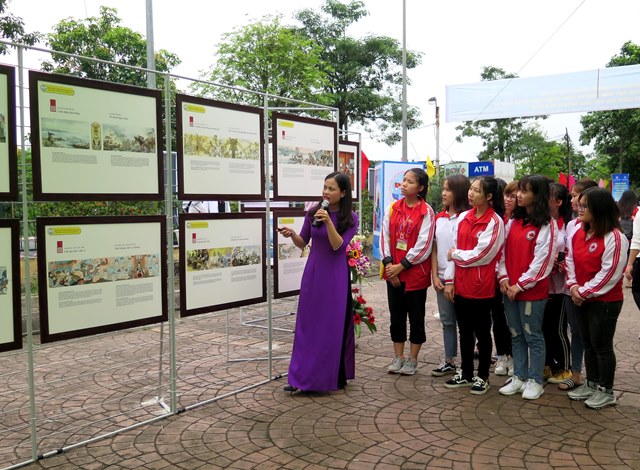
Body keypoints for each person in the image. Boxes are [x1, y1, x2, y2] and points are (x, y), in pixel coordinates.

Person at [279, 172, 358, 392]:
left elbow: (338, 246)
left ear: (343, 193)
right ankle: (299, 377)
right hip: (313, 274)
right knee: (307, 326)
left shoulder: (350, 218)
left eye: (331, 189)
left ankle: (323, 379)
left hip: (335, 277)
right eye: (325, 187)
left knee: (328, 328)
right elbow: (302, 242)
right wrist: (292, 234)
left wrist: (329, 223)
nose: (326, 192)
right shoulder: (313, 212)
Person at [565, 188, 628, 409]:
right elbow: (570, 262)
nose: (579, 209)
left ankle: (606, 390)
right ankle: (591, 384)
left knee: (602, 346)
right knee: (588, 344)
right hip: (581, 298)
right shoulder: (579, 233)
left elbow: (609, 273)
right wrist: (573, 286)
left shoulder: (615, 237)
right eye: (579, 204)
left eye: (585, 206)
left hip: (605, 302)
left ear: (599, 209)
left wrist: (582, 292)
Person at [443, 176, 505, 395]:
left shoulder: (495, 222)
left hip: (482, 287)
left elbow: (483, 255)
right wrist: (449, 281)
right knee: (465, 332)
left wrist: (456, 255)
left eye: (476, 190)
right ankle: (466, 372)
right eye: (470, 189)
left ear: (488, 196)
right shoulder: (462, 218)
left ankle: (483, 376)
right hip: (461, 285)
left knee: (482, 332)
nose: (470, 193)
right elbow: (453, 251)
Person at [497, 175, 556, 400]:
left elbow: (543, 262)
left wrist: (520, 286)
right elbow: (501, 254)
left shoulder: (546, 225)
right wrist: (503, 278)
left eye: (525, 191)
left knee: (533, 336)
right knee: (515, 334)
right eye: (518, 191)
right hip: (509, 289)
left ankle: (535, 380)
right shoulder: (512, 222)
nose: (518, 195)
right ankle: (519, 377)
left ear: (538, 195)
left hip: (530, 292)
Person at [381, 168, 435, 376]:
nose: (404, 184)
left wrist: (401, 266)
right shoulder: (393, 208)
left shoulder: (426, 211)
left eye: (409, 182)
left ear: (420, 188)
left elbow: (424, 245)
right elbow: (384, 237)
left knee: (416, 317)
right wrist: (389, 266)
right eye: (403, 180)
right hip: (393, 272)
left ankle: (413, 359)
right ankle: (398, 357)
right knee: (396, 317)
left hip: (414, 275)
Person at [558, 178, 598, 391]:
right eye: (572, 196)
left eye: (575, 196)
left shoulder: (605, 231)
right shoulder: (571, 224)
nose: (572, 200)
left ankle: (597, 380)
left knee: (592, 336)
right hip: (570, 288)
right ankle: (576, 373)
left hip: (592, 291)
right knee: (576, 330)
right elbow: (571, 256)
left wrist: (583, 288)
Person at [431, 174, 470, 377]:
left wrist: (451, 279)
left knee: (465, 323)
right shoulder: (439, 218)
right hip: (441, 278)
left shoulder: (467, 218)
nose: (444, 193)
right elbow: (435, 248)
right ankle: (449, 360)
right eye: (444, 188)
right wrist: (435, 276)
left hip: (462, 279)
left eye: (448, 189)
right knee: (447, 321)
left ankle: (467, 364)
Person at [543, 182, 573, 385]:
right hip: (542, 286)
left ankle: (565, 367)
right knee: (543, 327)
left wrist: (559, 262)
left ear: (559, 202)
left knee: (558, 329)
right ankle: (547, 365)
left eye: (548, 196)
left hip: (561, 287)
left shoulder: (568, 225)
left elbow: (571, 254)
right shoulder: (543, 222)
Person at [491, 179, 517, 377]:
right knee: (498, 319)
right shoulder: (497, 219)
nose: (509, 199)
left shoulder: (522, 221)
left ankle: (516, 357)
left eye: (513, 195)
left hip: (515, 281)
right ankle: (502, 355)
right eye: (506, 195)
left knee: (514, 322)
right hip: (496, 279)